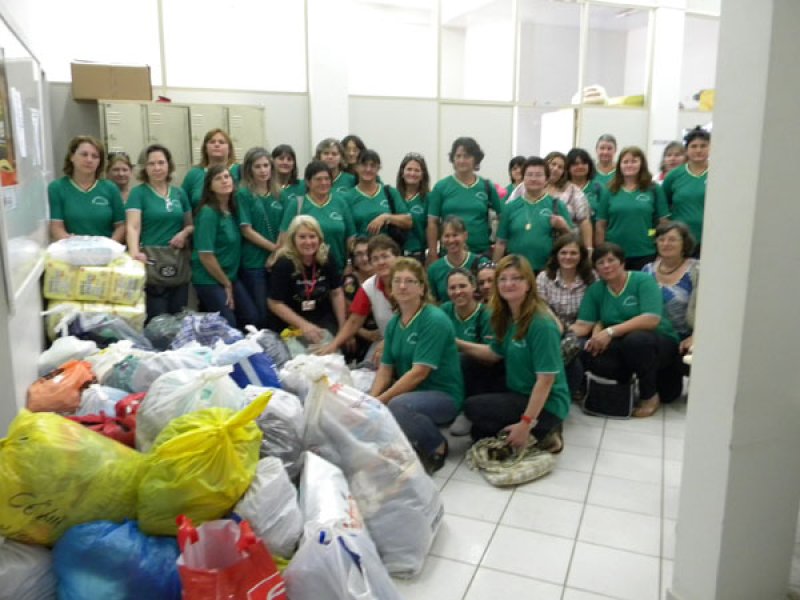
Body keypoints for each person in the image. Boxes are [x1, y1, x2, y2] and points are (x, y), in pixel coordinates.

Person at [461, 254, 570, 452]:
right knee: (479, 430)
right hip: (518, 389)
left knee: (473, 408)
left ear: (528, 284)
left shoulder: (542, 324)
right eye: (502, 279)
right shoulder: (508, 316)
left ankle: (544, 428)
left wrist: (525, 423)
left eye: (516, 278)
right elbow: (494, 354)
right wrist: (457, 344)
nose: (508, 284)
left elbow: (546, 380)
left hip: (548, 403)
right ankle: (538, 432)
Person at [370, 258, 463, 474]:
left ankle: (437, 446)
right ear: (391, 288)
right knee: (374, 400)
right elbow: (385, 369)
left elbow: (419, 373)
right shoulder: (395, 323)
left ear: (422, 288)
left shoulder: (433, 319)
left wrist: (381, 401)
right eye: (397, 281)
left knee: (398, 406)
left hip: (443, 395)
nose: (402, 286)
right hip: (413, 392)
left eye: (410, 281)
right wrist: (371, 399)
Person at [571, 243, 683, 418]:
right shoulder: (596, 290)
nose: (606, 266)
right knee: (590, 349)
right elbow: (584, 325)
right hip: (623, 345)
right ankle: (615, 392)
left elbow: (651, 319)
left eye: (611, 260)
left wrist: (610, 331)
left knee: (637, 341)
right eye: (600, 262)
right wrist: (558, 328)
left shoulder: (642, 280)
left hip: (658, 342)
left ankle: (649, 396)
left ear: (622, 262)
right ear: (596, 269)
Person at [126, 144, 194, 321]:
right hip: (152, 263)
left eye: (161, 163)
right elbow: (133, 226)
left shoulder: (179, 193)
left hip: (178, 262)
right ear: (144, 167)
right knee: (158, 322)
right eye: (151, 164)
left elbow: (191, 224)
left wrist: (184, 233)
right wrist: (134, 252)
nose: (157, 168)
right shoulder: (138, 193)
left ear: (169, 165)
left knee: (178, 318)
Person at [191, 165, 259, 329]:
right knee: (228, 324)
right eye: (218, 178)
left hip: (230, 277)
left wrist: (229, 282)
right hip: (210, 278)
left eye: (227, 177)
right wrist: (226, 284)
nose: (224, 181)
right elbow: (205, 255)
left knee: (252, 317)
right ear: (210, 186)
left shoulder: (232, 210)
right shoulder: (208, 213)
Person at [317, 234, 400, 361]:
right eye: (375, 259)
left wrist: (387, 343)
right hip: (386, 343)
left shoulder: (407, 280)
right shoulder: (369, 286)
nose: (381, 262)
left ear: (397, 257)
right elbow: (354, 321)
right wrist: (333, 346)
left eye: (385, 256)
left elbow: (413, 321)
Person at [267, 215, 346, 343]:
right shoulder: (284, 263)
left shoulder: (326, 257)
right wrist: (304, 325)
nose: (308, 242)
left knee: (329, 351)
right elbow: (274, 303)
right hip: (291, 322)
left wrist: (343, 327)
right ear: (293, 239)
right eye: (302, 237)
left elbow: (336, 292)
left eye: (312, 236)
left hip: (322, 317)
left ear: (319, 239)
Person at [536, 233, 597, 396]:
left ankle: (560, 394)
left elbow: (590, 317)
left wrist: (567, 334)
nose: (568, 257)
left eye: (573, 253)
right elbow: (541, 309)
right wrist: (558, 330)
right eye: (563, 252)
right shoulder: (544, 277)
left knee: (573, 348)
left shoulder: (592, 278)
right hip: (551, 327)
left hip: (581, 330)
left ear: (581, 256)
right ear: (556, 255)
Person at [426, 137, 503, 261]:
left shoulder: (487, 186)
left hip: (480, 254)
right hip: (449, 255)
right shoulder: (441, 187)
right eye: (458, 156)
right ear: (453, 159)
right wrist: (433, 253)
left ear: (475, 159)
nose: (462, 160)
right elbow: (432, 223)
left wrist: (498, 250)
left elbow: (502, 218)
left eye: (466, 156)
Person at [493, 157, 573, 272]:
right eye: (529, 175)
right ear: (523, 178)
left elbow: (571, 240)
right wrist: (495, 269)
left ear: (546, 179)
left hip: (547, 270)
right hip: (515, 270)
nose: (533, 179)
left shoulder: (557, 205)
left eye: (539, 175)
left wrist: (564, 227)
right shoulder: (510, 207)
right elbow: (501, 242)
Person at [595, 146, 669, 271]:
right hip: (613, 254)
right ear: (619, 165)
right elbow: (601, 225)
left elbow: (663, 223)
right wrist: (601, 252)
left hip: (645, 252)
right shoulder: (609, 190)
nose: (629, 165)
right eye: (625, 162)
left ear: (642, 164)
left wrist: (650, 235)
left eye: (634, 161)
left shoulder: (654, 189)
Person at [279, 160, 356, 272]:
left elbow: (351, 237)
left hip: (338, 268)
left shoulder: (340, 202)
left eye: (326, 179)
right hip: (304, 269)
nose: (323, 182)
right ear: (308, 182)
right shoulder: (297, 204)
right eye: (318, 179)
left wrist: (349, 263)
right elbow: (284, 238)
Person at [236, 147, 283, 329]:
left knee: (276, 311)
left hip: (277, 261)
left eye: (266, 166)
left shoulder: (280, 194)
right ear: (249, 170)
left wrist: (278, 253)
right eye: (258, 167)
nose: (263, 170)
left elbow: (286, 227)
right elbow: (246, 230)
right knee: (260, 314)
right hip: (254, 262)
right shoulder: (243, 194)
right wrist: (274, 249)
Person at [48, 135, 125, 242]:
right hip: (71, 251)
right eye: (84, 154)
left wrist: (108, 246)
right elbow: (56, 227)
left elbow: (121, 226)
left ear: (99, 162)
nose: (89, 160)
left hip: (106, 252)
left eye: (95, 156)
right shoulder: (57, 188)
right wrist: (74, 244)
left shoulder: (110, 188)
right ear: (72, 157)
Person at [642, 222, 698, 355]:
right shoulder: (647, 270)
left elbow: (708, 310)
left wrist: (697, 337)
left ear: (684, 243)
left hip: (684, 338)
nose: (665, 243)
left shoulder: (697, 270)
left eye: (672, 239)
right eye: (661, 239)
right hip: (650, 334)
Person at [662, 126, 710, 255]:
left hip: (711, 239)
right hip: (681, 241)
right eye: (694, 146)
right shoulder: (674, 176)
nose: (698, 150)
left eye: (703, 146)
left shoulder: (719, 174)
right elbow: (663, 208)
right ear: (687, 150)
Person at [344, 149, 411, 238]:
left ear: (378, 168)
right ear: (356, 167)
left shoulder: (390, 192)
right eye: (364, 165)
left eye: (372, 166)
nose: (368, 169)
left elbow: (408, 221)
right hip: (361, 249)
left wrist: (386, 217)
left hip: (388, 249)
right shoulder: (347, 197)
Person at [428, 216, 492, 302]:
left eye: (455, 235)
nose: (451, 240)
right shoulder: (434, 269)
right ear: (441, 239)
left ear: (465, 236)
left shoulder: (482, 262)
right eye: (447, 236)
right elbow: (433, 301)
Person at [544, 151, 593, 249]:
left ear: (564, 172)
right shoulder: (528, 186)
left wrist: (589, 249)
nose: (555, 169)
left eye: (560, 167)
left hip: (565, 247)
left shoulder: (573, 190)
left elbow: (584, 221)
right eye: (553, 164)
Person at [182, 129, 239, 209]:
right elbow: (183, 204)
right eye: (212, 142)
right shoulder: (194, 174)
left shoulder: (240, 171)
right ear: (205, 148)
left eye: (221, 142)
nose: (216, 145)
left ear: (229, 149)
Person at [396, 152, 431, 262]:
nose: (412, 173)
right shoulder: (393, 196)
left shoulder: (429, 198)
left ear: (422, 175)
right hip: (397, 256)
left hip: (420, 255)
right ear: (402, 173)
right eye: (409, 169)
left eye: (417, 170)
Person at [566, 147, 607, 226]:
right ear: (568, 167)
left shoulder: (598, 187)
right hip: (568, 236)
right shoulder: (562, 188)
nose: (580, 166)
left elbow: (604, 215)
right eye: (575, 164)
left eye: (584, 163)